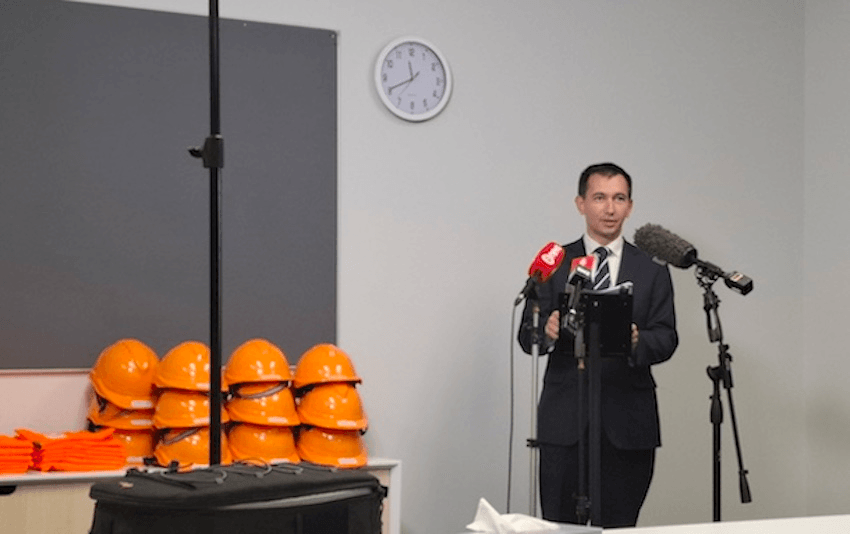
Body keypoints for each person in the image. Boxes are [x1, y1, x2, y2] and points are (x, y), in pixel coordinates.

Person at [518, 162, 678, 528]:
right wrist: (548, 329)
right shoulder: (556, 261)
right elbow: (528, 336)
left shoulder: (652, 269)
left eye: (619, 198)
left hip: (628, 423)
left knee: (620, 526)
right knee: (559, 526)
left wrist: (638, 340)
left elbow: (667, 337)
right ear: (581, 203)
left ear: (630, 206)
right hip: (564, 421)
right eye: (600, 198)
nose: (609, 208)